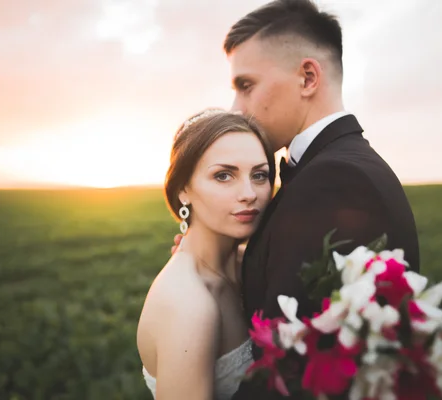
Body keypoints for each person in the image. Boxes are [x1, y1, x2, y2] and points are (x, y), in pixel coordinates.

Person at [172, 1, 421, 398]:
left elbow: (290, 377)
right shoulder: (332, 168)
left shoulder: (335, 181)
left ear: (307, 77)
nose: (236, 107)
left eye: (246, 85)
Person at [136, 108, 277, 400]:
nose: (249, 193)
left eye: (260, 175)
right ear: (183, 189)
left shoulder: (244, 266)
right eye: (224, 175)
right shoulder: (188, 303)